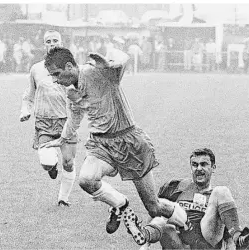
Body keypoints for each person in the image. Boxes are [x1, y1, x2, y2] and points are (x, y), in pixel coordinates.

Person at [41, 47, 178, 245]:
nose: (55, 80)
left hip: (128, 140)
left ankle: (185, 220)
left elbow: (122, 60)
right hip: (101, 144)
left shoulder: (96, 72)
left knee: (154, 207)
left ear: (69, 66)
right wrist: (63, 138)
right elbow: (75, 117)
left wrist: (113, 62)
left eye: (56, 74)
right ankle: (121, 205)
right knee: (86, 180)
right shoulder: (71, 92)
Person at [137, 148, 249, 249]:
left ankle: (239, 237)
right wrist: (144, 246)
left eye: (204, 164)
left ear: (213, 167)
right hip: (180, 244)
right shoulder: (176, 187)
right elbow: (155, 212)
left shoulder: (218, 200)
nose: (198, 168)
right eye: (195, 165)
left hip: (207, 241)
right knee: (165, 223)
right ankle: (145, 234)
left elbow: (227, 237)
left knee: (221, 191)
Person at [19, 30, 78, 207]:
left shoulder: (71, 67)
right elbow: (29, 95)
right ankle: (51, 167)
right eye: (49, 41)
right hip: (44, 122)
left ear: (62, 42)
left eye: (55, 40)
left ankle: (63, 199)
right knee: (46, 162)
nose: (52, 44)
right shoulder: (36, 69)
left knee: (68, 161)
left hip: (66, 121)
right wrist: (25, 111)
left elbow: (81, 91)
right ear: (44, 45)